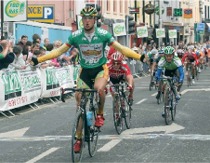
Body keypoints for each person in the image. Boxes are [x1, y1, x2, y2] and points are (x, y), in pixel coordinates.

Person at [30, 6, 144, 153]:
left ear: (95, 20)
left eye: (90, 18)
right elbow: (58, 51)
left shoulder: (103, 34)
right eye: (84, 18)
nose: (87, 21)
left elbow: (122, 49)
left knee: (99, 89)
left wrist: (140, 56)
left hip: (100, 70)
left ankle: (100, 114)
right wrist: (38, 59)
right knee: (80, 104)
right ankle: (78, 138)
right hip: (85, 71)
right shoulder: (76, 36)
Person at [155, 46, 184, 117]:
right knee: (165, 87)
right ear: (164, 55)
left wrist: (180, 80)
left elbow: (181, 73)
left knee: (177, 81)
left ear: (173, 55)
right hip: (167, 71)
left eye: (170, 56)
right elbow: (158, 72)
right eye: (167, 56)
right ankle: (165, 108)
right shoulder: (162, 60)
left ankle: (177, 92)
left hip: (175, 70)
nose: (168, 58)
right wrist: (157, 79)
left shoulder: (177, 60)